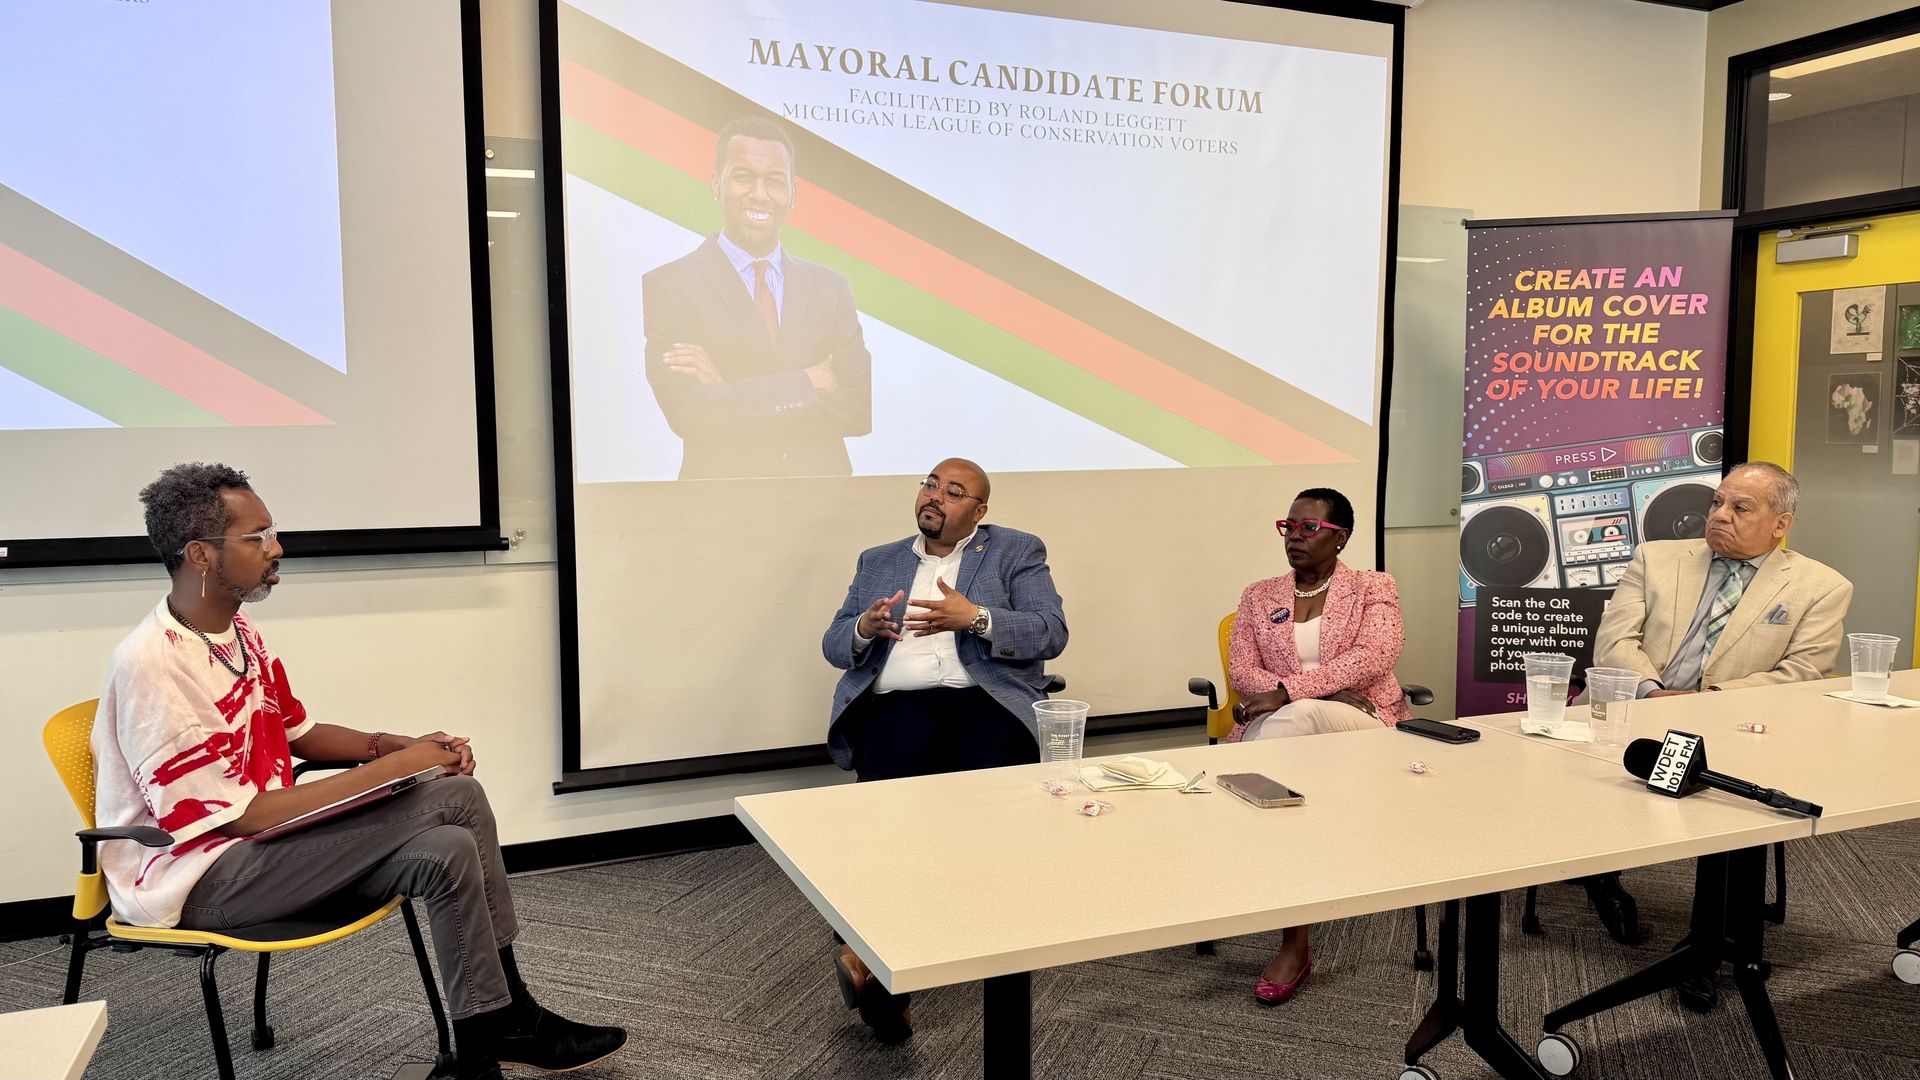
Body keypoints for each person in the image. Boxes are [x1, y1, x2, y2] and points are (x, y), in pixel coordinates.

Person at [93, 463, 627, 1080]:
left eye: (273, 533)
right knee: (456, 795)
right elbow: (239, 817)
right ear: (199, 555)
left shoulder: (235, 631)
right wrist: (404, 768)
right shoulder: (150, 667)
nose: (276, 548)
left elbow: (299, 734)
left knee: (449, 848)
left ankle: (478, 1053)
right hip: (199, 880)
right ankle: (512, 1016)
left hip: (264, 851)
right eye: (257, 537)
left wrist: (388, 745)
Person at [821, 457, 1068, 1042]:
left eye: (955, 492)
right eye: (931, 484)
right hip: (897, 706)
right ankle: (876, 963)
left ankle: (896, 957)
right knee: (891, 826)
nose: (936, 496)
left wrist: (975, 617)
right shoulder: (878, 561)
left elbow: (1050, 632)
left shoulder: (1016, 550)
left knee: (973, 833)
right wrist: (863, 629)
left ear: (978, 512)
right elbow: (833, 644)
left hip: (983, 702)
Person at [1586, 460, 1851, 1002]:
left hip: (1734, 727)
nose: (1720, 516)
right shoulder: (1655, 559)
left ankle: (1706, 946)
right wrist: (1656, 696)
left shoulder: (1821, 587)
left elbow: (1799, 676)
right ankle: (1601, 879)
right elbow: (1614, 644)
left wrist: (1707, 705)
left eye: (1740, 507)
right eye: (1717, 503)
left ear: (1782, 524)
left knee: (1735, 805)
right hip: (1639, 713)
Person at [1223, 486, 1408, 1005]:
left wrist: (1291, 691)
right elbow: (1242, 670)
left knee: (1293, 719)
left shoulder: (1374, 586)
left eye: (1309, 528)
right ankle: (1294, 938)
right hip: (1287, 729)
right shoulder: (1260, 594)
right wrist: (1313, 689)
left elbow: (1375, 655)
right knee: (1288, 777)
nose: (1295, 537)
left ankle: (1239, 821)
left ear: (1340, 537)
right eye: (1289, 527)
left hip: (1363, 726)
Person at [642, 116, 871, 480]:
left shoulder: (832, 288)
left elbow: (857, 409)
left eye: (774, 180)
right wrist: (805, 384)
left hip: (823, 511)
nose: (760, 194)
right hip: (721, 512)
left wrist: (726, 392)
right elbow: (689, 413)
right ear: (717, 184)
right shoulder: (670, 286)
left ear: (792, 193)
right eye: (743, 176)